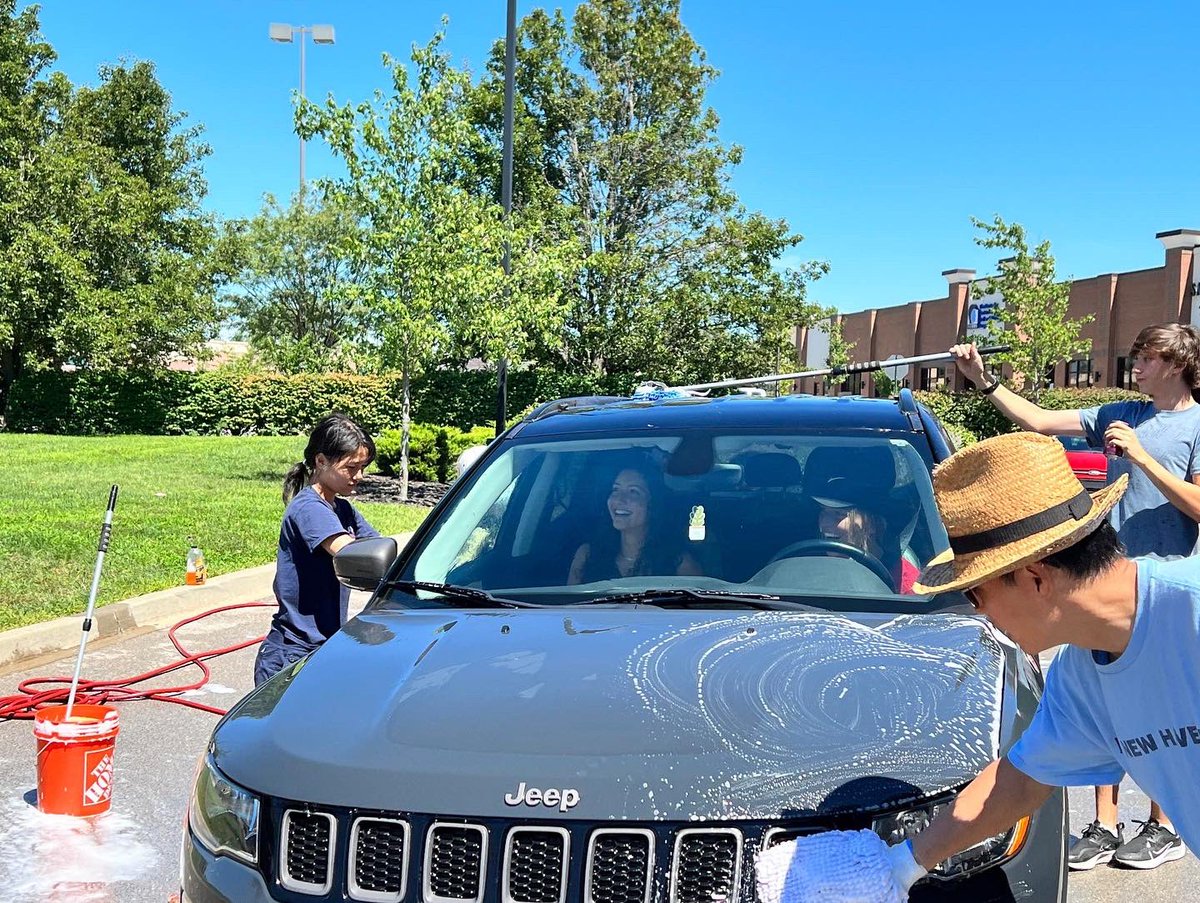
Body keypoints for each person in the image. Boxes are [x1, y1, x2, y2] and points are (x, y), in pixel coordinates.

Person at [755, 432, 1200, 900]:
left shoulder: (1190, 611)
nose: (978, 613)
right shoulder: (1081, 681)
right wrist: (897, 867)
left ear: (1034, 578)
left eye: (976, 593)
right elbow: (1020, 783)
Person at [951, 323, 1200, 869]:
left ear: (1178, 364)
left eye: (1147, 358)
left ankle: (1164, 826)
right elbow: (1039, 421)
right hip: (1099, 581)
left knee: (1167, 717)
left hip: (1163, 589)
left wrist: (1144, 459)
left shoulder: (1197, 425)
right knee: (1100, 705)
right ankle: (1105, 822)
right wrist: (982, 379)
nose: (1136, 367)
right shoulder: (1123, 413)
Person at [253, 413, 380, 686]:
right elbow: (352, 554)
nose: (360, 476)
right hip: (291, 656)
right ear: (321, 461)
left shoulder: (342, 509)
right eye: (351, 468)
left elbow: (380, 551)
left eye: (363, 467)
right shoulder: (309, 507)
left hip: (321, 648)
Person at [568, 462, 701, 584]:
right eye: (615, 490)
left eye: (633, 492)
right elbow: (568, 607)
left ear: (653, 504)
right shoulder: (587, 555)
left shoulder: (679, 564)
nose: (619, 499)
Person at [810, 475, 919, 594]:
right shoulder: (807, 564)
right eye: (824, 511)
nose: (824, 523)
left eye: (839, 514)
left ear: (871, 524)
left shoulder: (905, 582)